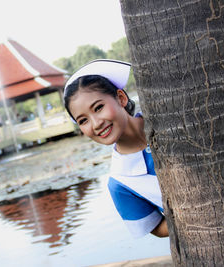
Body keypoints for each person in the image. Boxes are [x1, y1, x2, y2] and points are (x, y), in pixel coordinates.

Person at [64, 59, 168, 238]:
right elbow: (157, 228)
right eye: (83, 120)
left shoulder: (169, 118)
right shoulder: (120, 184)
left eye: (98, 108)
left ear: (121, 98)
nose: (96, 124)